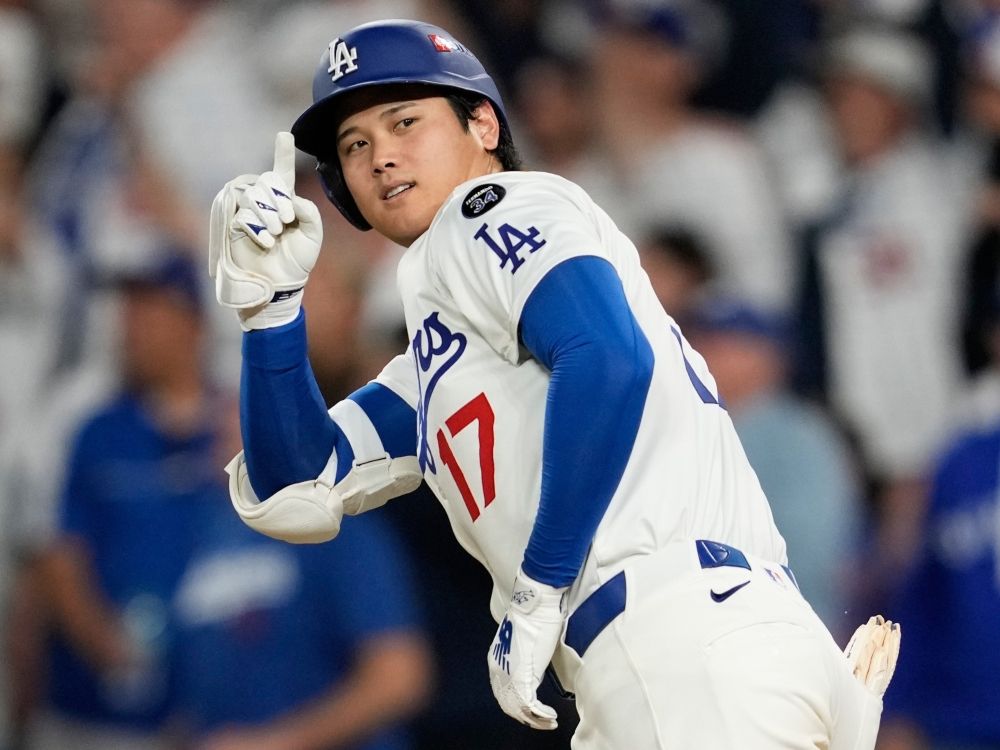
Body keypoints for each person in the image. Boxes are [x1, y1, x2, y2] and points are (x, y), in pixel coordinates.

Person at [208, 18, 899, 748]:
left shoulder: (491, 210)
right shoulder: (440, 358)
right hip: (713, 644)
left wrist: (540, 586)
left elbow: (606, 360)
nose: (381, 155)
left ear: (481, 123)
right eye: (355, 145)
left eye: (404, 120)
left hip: (676, 641)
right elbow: (296, 486)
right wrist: (269, 312)